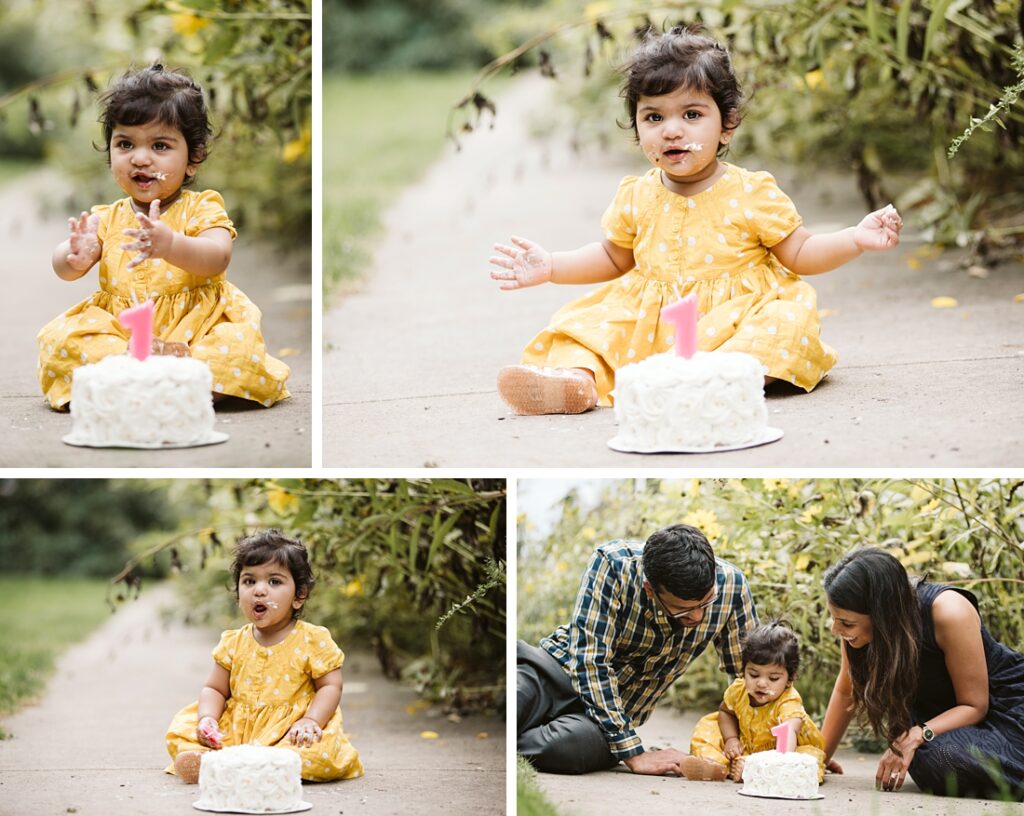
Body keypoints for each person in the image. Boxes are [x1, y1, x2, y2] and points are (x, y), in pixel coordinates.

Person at [488, 25, 903, 415]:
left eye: (691, 115)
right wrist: (553, 266)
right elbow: (613, 258)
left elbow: (801, 252)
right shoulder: (637, 195)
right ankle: (576, 381)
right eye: (654, 117)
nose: (671, 131)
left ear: (727, 125)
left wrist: (854, 238)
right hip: (655, 324)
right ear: (636, 127)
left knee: (783, 326)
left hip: (736, 319)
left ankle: (721, 378)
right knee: (583, 327)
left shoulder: (751, 192)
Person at [38, 64, 290, 410]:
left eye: (159, 146)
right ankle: (152, 376)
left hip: (196, 332)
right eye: (125, 144)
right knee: (60, 341)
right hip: (126, 334)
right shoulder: (106, 217)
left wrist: (171, 244)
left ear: (193, 158)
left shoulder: (202, 206)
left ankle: (163, 378)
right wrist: (72, 256)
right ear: (109, 151)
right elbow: (64, 271)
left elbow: (219, 255)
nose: (140, 158)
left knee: (236, 350)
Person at [517, 523, 758, 775]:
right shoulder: (613, 564)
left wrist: (754, 751)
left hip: (606, 719)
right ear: (650, 590)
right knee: (517, 697)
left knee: (570, 749)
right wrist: (634, 754)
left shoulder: (733, 587)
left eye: (707, 601)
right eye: (684, 609)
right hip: (555, 672)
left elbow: (748, 674)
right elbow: (590, 661)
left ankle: (518, 740)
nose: (698, 616)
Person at [821, 547, 1024, 800]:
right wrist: (818, 761)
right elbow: (846, 689)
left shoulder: (948, 610)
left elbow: (975, 705)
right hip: (945, 728)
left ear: (883, 615)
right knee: (930, 758)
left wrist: (918, 733)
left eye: (846, 623)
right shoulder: (855, 630)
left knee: (936, 754)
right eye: (835, 619)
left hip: (1007, 712)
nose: (835, 629)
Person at [165, 530, 363, 783]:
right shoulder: (233, 642)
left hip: (290, 731)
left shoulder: (312, 639)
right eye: (249, 581)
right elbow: (214, 689)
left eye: (274, 582)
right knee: (181, 730)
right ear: (238, 593)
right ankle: (212, 759)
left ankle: (244, 766)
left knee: (318, 752)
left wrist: (311, 720)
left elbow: (330, 686)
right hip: (237, 730)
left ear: (299, 596)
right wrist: (207, 719)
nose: (259, 591)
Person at [681, 620, 825, 783]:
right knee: (708, 726)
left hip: (783, 751)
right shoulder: (739, 690)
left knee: (809, 758)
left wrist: (778, 762)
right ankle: (716, 765)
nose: (762, 683)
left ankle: (762, 772)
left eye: (773, 678)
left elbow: (789, 731)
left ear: (789, 680)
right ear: (743, 671)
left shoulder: (788, 702)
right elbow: (726, 712)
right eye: (754, 675)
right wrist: (731, 739)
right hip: (745, 747)